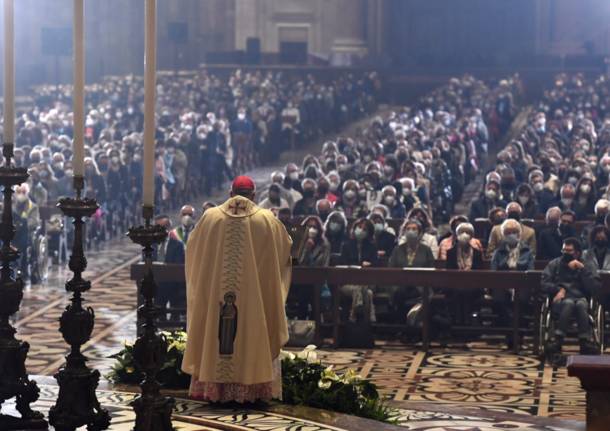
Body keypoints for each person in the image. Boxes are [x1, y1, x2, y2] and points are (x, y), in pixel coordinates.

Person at [182, 176, 292, 403]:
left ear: (231, 193)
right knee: (250, 334)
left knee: (217, 337)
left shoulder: (210, 218)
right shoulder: (267, 219)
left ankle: (215, 390)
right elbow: (285, 250)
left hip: (216, 300)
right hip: (253, 300)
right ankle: (249, 391)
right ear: (253, 195)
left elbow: (193, 249)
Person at [542, 238, 601, 363]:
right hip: (561, 298)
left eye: (569, 251)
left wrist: (582, 270)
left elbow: (594, 287)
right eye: (564, 250)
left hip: (581, 298)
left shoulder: (587, 265)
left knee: (579, 304)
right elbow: (544, 283)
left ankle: (584, 341)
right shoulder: (554, 264)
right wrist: (558, 289)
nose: (565, 253)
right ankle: (558, 340)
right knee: (568, 303)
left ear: (578, 253)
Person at [490, 219, 534, 347]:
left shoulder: (527, 251)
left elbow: (530, 270)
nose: (511, 235)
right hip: (502, 284)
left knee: (521, 302)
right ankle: (513, 334)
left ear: (519, 234)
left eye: (514, 232)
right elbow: (493, 270)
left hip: (521, 284)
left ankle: (514, 336)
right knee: (500, 302)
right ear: (503, 234)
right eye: (508, 232)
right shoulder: (498, 251)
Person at [292, 216, 331, 319]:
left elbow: (324, 264)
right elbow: (298, 263)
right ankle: (301, 328)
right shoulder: (298, 242)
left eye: (315, 227)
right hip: (301, 280)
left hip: (318, 280)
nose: (312, 229)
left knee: (314, 293)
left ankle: (316, 328)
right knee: (304, 292)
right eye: (309, 226)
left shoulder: (325, 244)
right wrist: (306, 249)